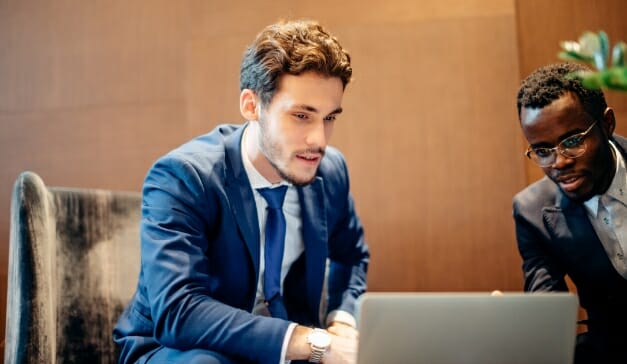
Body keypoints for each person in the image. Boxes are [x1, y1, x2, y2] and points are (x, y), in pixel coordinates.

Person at [113, 19, 370, 364]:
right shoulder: (182, 177)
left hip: (286, 349)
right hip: (182, 350)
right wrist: (312, 342)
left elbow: (351, 255)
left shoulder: (330, 170)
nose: (319, 141)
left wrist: (342, 323)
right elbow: (178, 310)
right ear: (251, 106)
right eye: (301, 116)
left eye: (329, 118)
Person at [514, 62, 627, 363]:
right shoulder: (532, 211)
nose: (558, 162)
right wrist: (516, 325)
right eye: (542, 151)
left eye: (573, 141)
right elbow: (546, 314)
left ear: (607, 124)